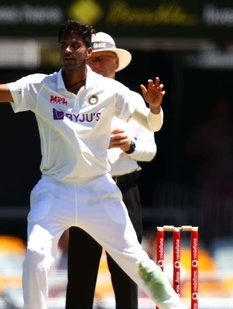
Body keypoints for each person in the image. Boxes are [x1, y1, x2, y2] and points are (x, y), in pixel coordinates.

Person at [0, 19, 187, 309]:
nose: (68, 50)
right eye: (63, 45)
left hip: (99, 191)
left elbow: (154, 123)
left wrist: (155, 106)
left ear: (86, 51)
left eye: (75, 45)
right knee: (36, 256)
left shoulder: (111, 91)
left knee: (138, 263)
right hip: (55, 191)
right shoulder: (40, 86)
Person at [65, 32, 156, 309]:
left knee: (127, 274)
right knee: (81, 274)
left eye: (104, 59)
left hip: (125, 189)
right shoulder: (73, 101)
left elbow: (150, 151)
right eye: (92, 60)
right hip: (88, 189)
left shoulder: (132, 99)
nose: (98, 65)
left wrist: (130, 145)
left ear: (116, 63)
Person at [185, 97, 233, 243]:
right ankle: (208, 244)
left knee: (232, 213)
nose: (221, 114)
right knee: (208, 214)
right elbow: (189, 150)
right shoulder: (204, 130)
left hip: (229, 181)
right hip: (209, 181)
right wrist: (204, 160)